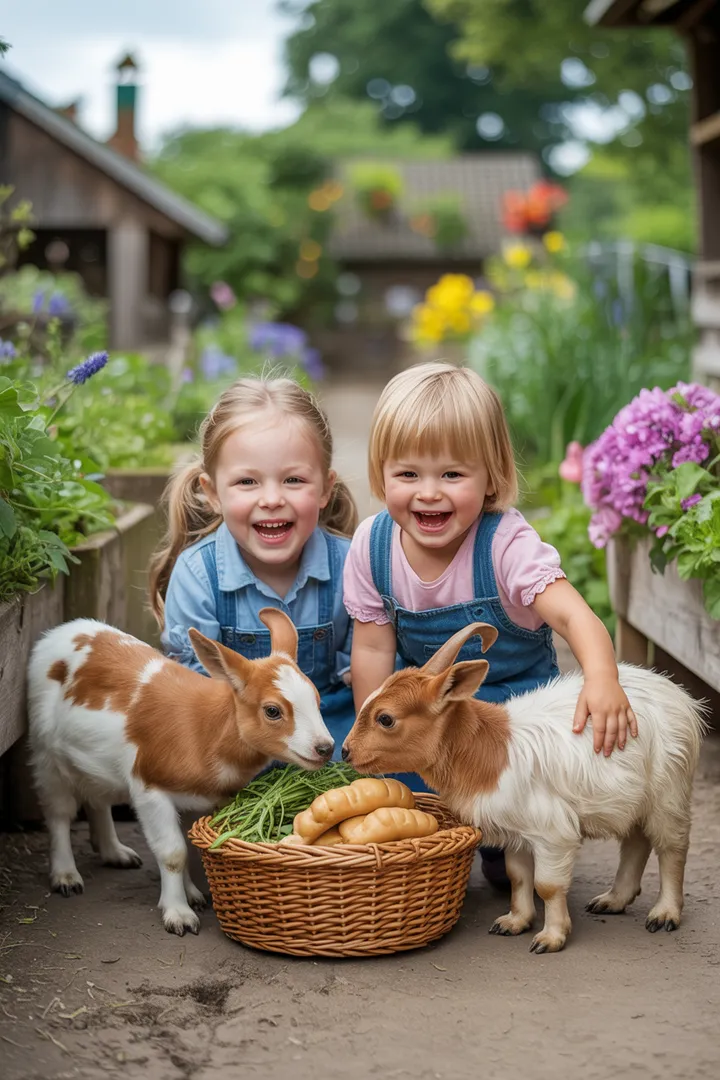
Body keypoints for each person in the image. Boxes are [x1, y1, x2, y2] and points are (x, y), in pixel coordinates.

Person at [343, 361, 637, 887]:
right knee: (410, 819)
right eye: (407, 474)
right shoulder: (373, 545)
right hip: (435, 718)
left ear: (492, 476)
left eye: (452, 475)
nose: (428, 492)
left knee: (513, 850)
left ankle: (508, 847)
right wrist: (376, 729)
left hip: (516, 726)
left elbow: (573, 614)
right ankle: (437, 844)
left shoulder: (505, 543)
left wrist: (601, 677)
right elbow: (370, 649)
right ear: (380, 474)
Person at [149, 375, 358, 753]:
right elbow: (195, 696)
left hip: (329, 735)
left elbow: (365, 673)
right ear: (212, 493)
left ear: (326, 488)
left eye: (293, 479)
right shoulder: (199, 575)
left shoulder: (351, 564)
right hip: (238, 742)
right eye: (248, 482)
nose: (272, 499)